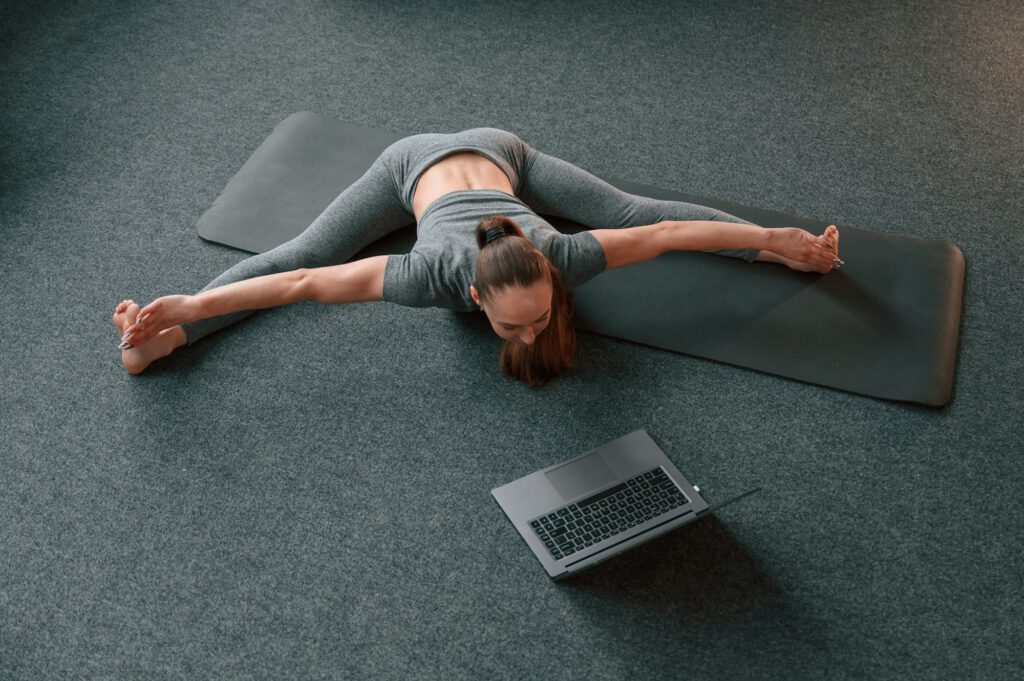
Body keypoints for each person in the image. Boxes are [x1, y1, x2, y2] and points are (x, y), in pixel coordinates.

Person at [113, 128, 841, 386]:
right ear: (475, 300)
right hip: (411, 167)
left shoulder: (562, 254)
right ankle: (164, 337)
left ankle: (164, 339)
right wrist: (190, 307)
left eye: (536, 319)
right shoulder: (428, 277)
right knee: (306, 242)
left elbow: (660, 229)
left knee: (621, 206)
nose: (529, 332)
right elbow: (302, 278)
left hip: (501, 152)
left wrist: (772, 244)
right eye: (515, 327)